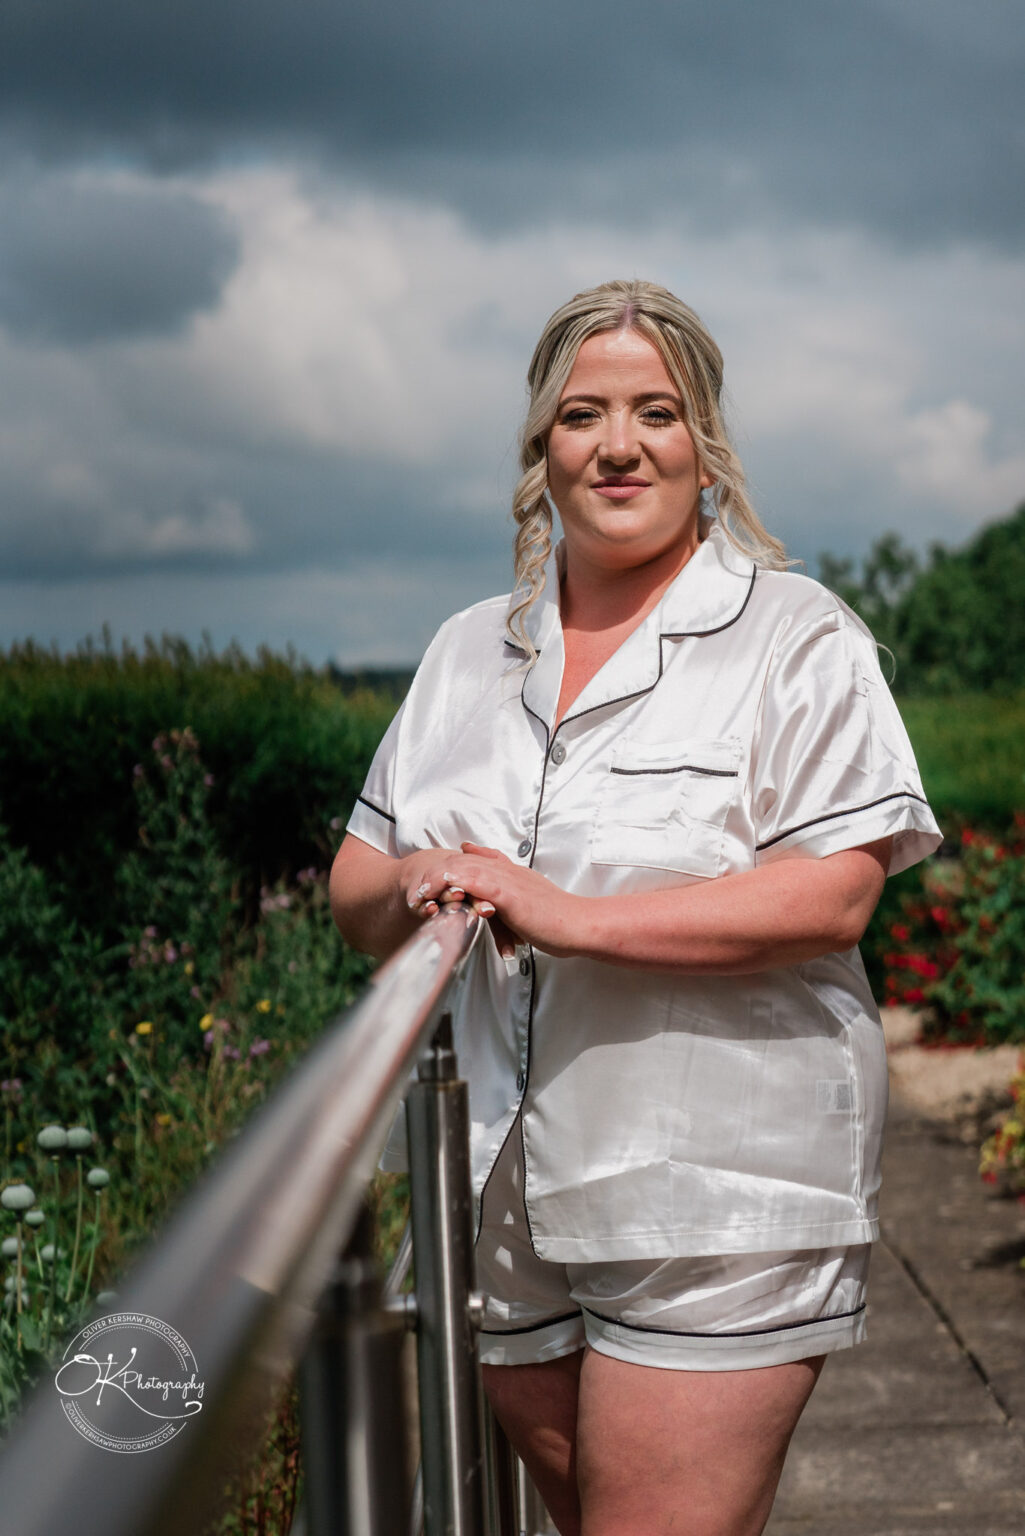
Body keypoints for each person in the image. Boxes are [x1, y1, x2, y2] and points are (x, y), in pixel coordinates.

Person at [329, 279, 941, 1536]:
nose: (617, 445)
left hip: (716, 1187)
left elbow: (834, 891)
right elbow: (357, 886)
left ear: (703, 447)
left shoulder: (794, 635)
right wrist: (421, 886)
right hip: (495, 1190)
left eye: (654, 413)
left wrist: (562, 914)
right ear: (539, 448)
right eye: (582, 415)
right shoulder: (464, 652)